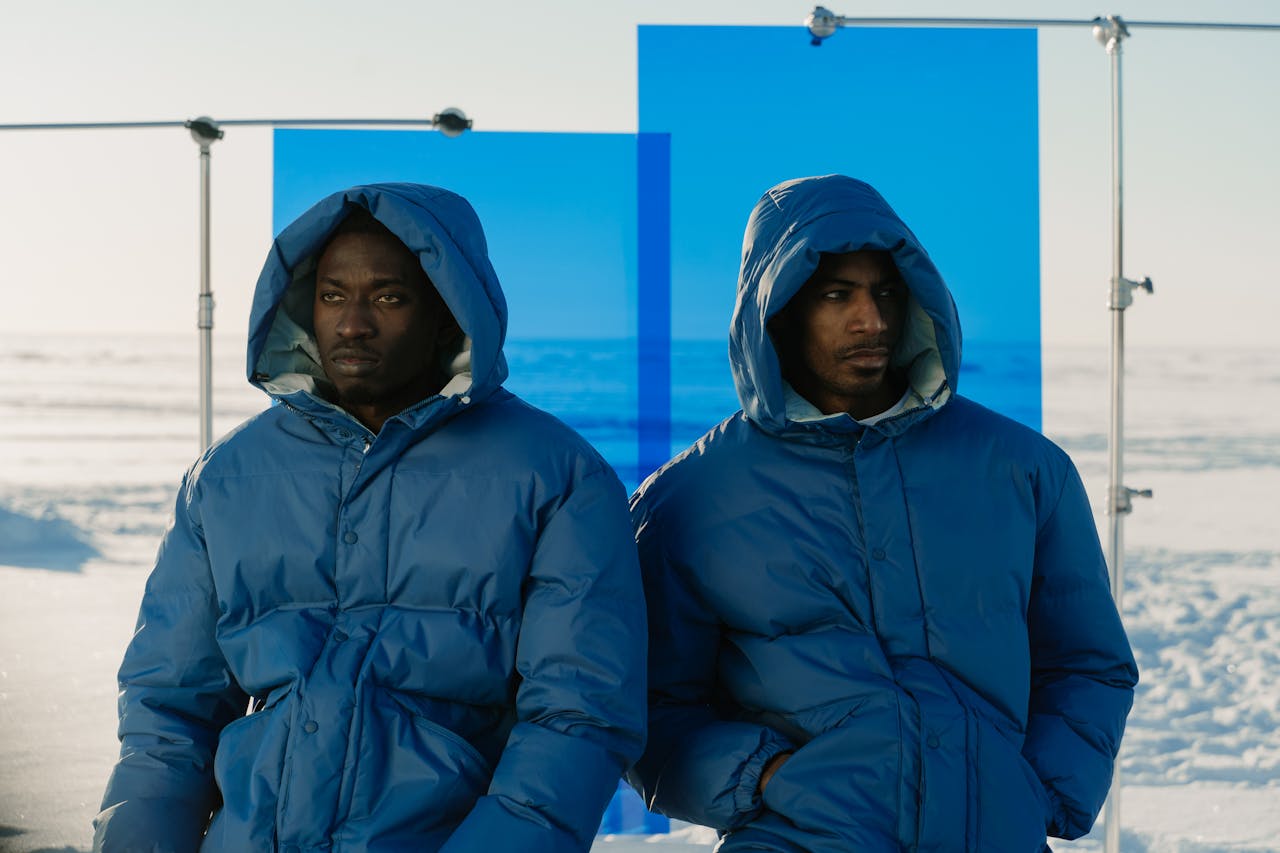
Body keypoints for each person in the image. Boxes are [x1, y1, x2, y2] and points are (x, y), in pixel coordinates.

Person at [93, 183, 646, 853]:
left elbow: (578, 717)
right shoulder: (228, 477)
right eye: (332, 295)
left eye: (388, 297)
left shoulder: (557, 475)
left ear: (449, 311)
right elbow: (167, 712)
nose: (352, 323)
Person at [628, 175, 1138, 852]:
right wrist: (766, 777)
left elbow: (1087, 662)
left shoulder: (1023, 470)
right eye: (837, 294)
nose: (871, 320)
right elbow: (649, 710)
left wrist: (1038, 787)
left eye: (887, 292)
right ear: (776, 309)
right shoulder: (687, 501)